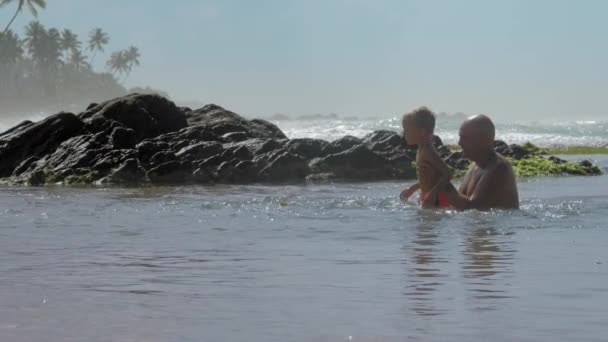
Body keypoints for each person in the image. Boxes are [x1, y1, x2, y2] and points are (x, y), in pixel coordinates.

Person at [443, 115, 519, 210]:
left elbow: (474, 208)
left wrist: (443, 183)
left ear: (484, 139)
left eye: (465, 138)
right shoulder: (474, 165)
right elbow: (457, 203)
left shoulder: (499, 168)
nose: (459, 143)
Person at [400, 107, 452, 208]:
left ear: (422, 132)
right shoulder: (422, 149)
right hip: (429, 196)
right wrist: (412, 189)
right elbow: (429, 178)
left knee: (427, 223)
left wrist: (433, 195)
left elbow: (447, 174)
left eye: (407, 130)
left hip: (437, 199)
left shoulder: (428, 151)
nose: (403, 133)